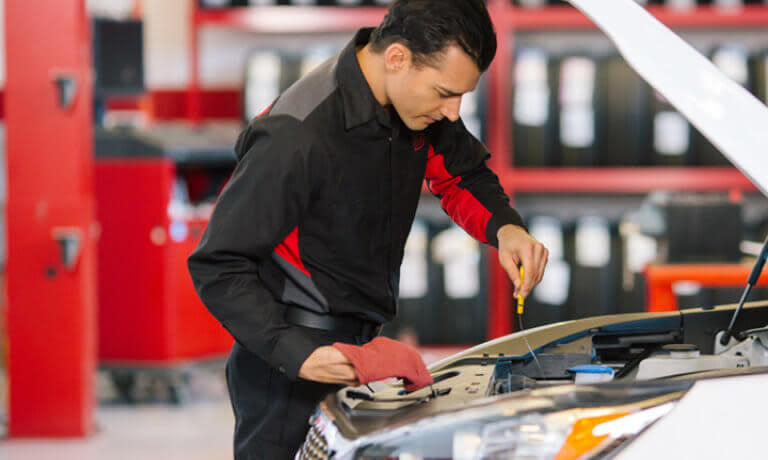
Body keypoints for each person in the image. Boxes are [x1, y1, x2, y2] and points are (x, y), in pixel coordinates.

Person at [188, 0, 549, 458]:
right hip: (288, 363)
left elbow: (461, 175)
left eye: (462, 96)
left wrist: (506, 229)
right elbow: (218, 262)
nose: (453, 112)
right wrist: (299, 353)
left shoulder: (415, 106)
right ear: (397, 57)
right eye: (444, 92)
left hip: (361, 349)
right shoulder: (296, 135)